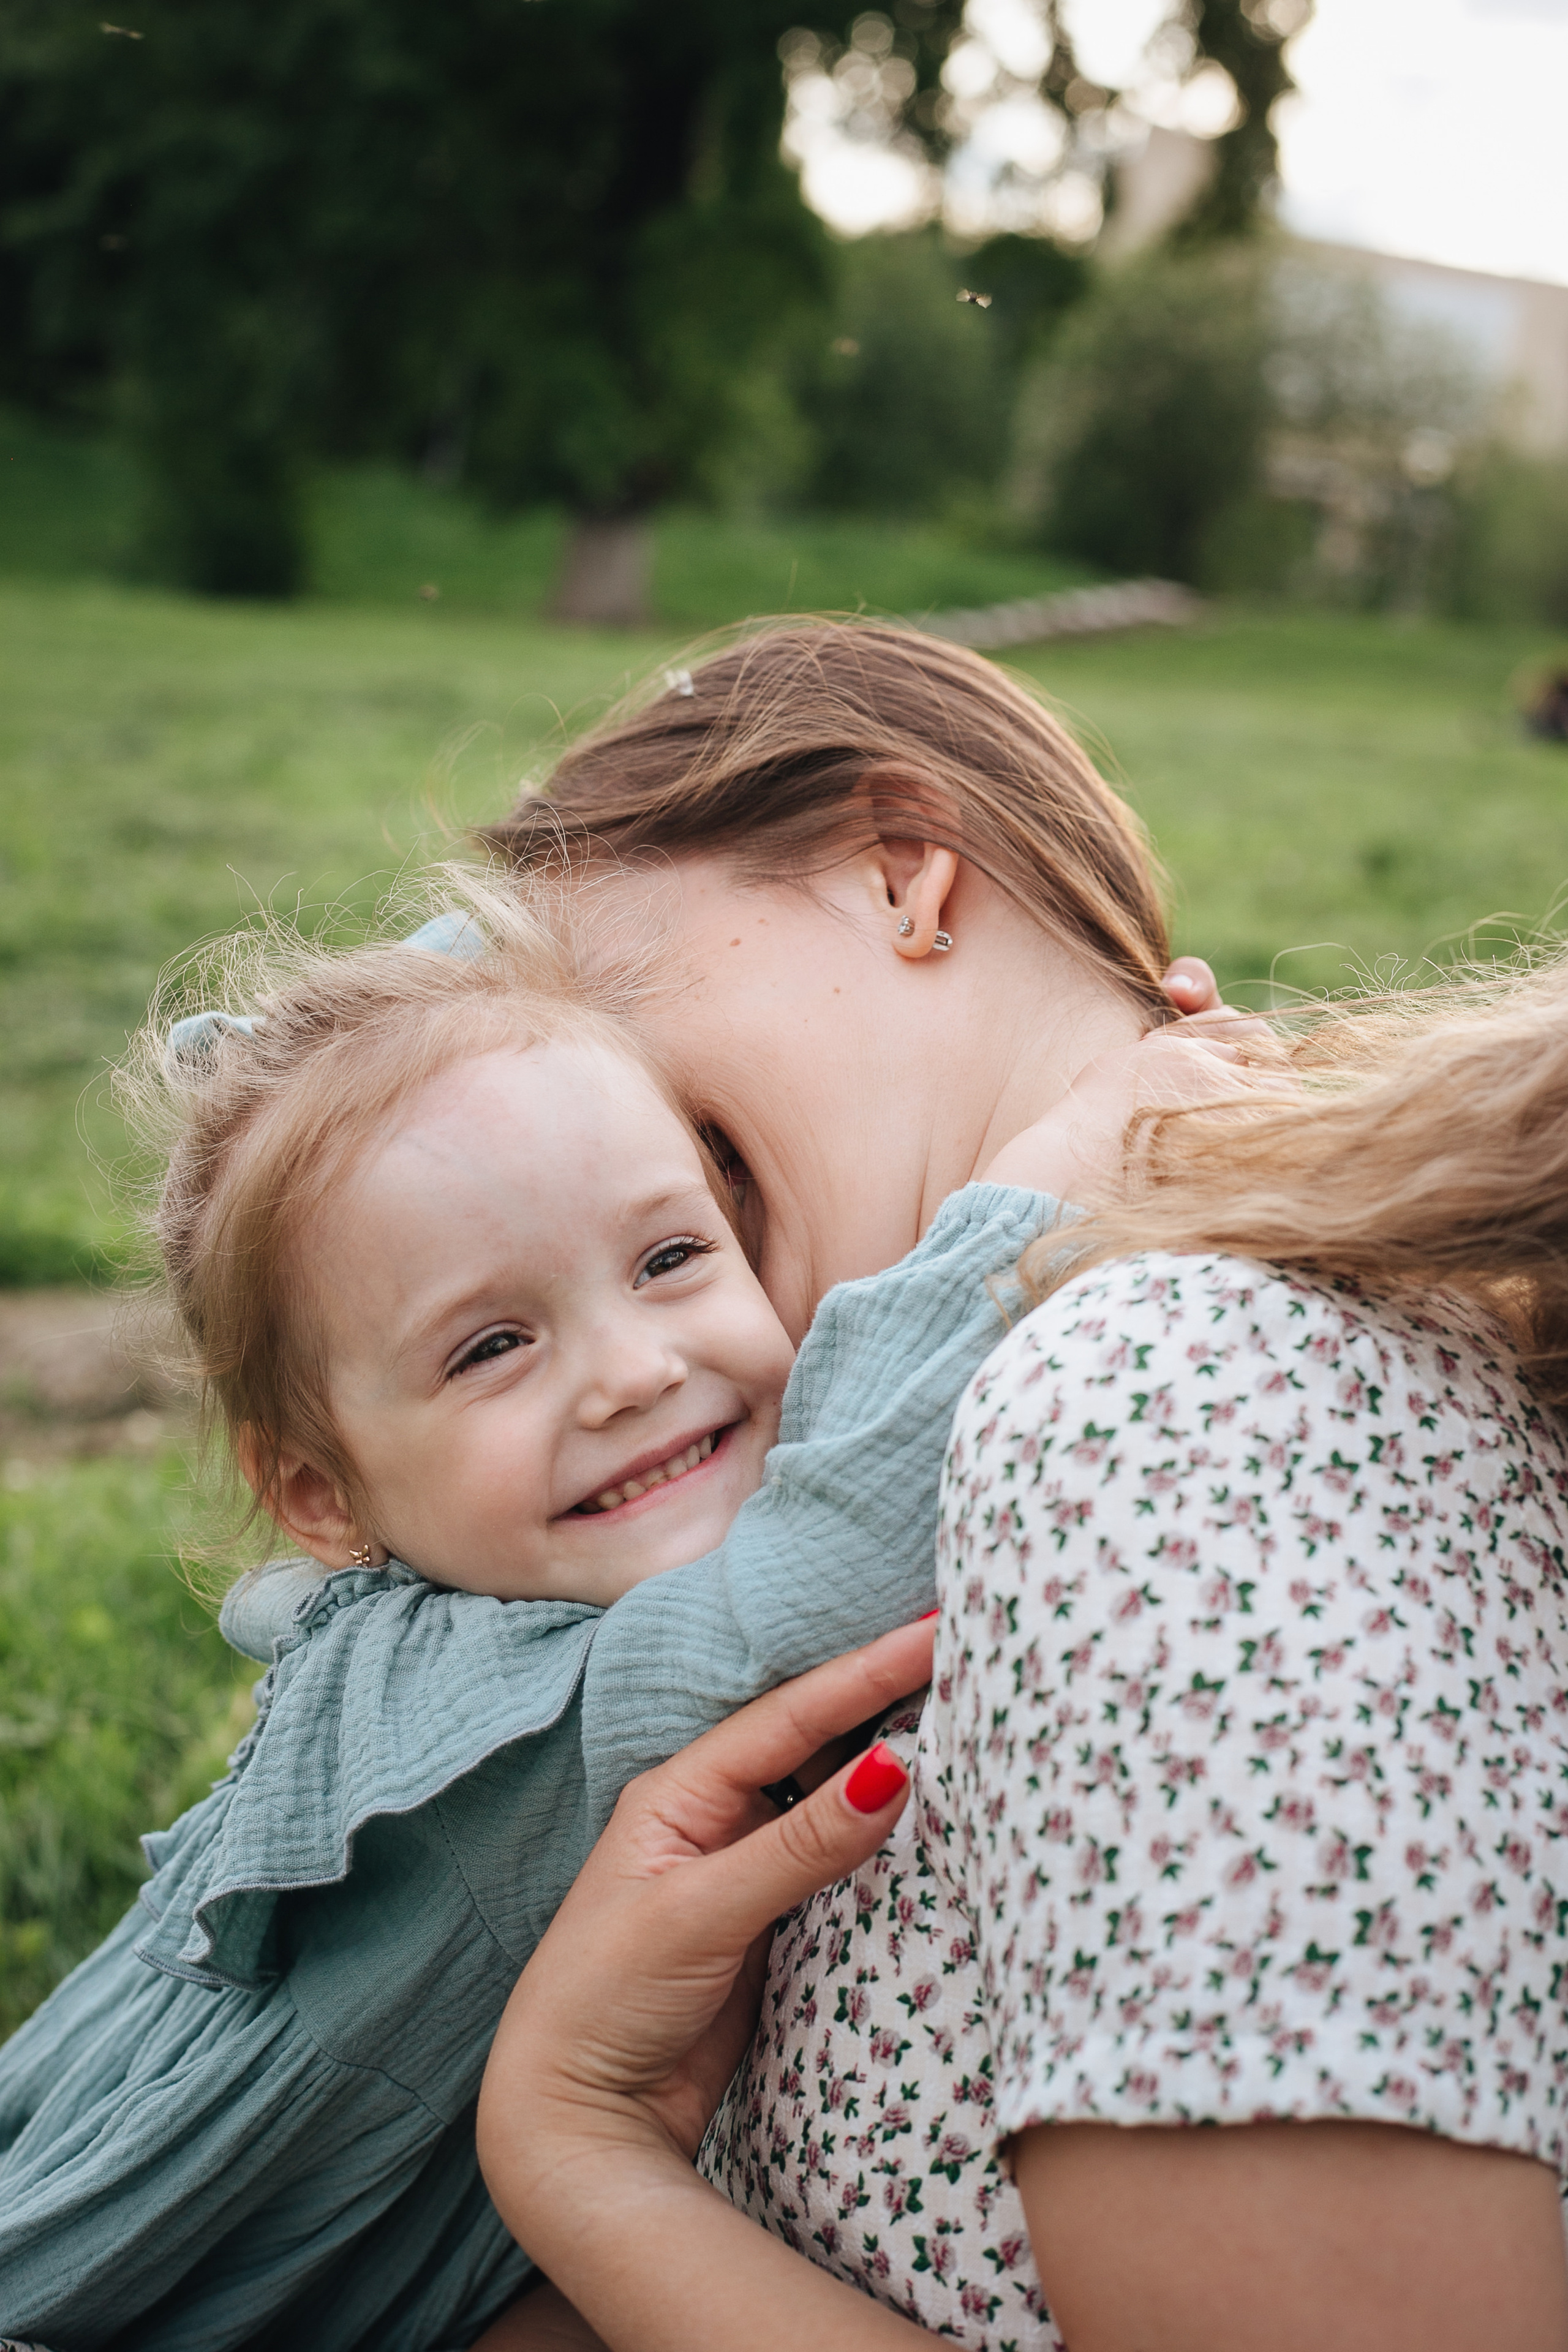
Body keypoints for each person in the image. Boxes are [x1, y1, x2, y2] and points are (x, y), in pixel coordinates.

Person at [0, 831, 1245, 2351]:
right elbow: (834, 1553)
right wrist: (1074, 1147)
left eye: (669, 1255)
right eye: (490, 1347)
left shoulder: (472, 1574)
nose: (634, 1370)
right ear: (320, 1497)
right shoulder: (503, 1715)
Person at [473, 946, 1568, 2351]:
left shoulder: (1170, 1397)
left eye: (689, 1223)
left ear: (901, 877)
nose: (637, 1367)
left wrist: (581, 2157)